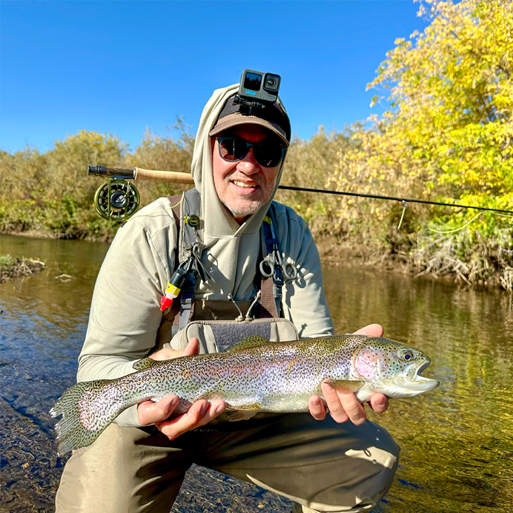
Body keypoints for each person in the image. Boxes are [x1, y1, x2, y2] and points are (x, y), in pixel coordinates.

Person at [55, 81, 399, 513]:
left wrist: (344, 362)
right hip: (153, 422)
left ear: (279, 164)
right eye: (233, 146)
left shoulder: (292, 234)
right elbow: (95, 370)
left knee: (372, 461)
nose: (249, 166)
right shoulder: (149, 232)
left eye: (267, 153)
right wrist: (139, 401)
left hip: (258, 416)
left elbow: (319, 348)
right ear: (207, 149)